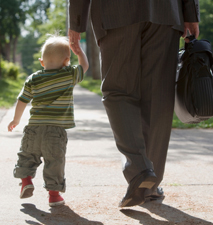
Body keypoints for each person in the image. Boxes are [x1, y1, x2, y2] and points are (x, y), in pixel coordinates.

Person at [68, 0, 200, 207]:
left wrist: (76, 21)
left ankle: (140, 169)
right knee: (159, 98)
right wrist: (191, 12)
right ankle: (150, 185)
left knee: (118, 91)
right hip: (166, 11)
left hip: (116, 12)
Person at [8, 34, 89, 207]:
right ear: (67, 61)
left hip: (33, 129)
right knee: (54, 163)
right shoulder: (69, 74)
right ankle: (53, 196)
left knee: (27, 155)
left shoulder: (34, 78)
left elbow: (22, 100)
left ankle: (26, 181)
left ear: (41, 62)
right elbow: (84, 66)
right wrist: (80, 52)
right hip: (55, 131)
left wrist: (16, 119)